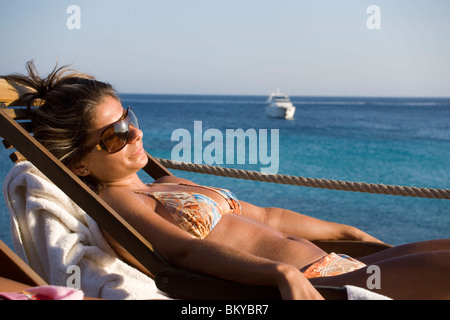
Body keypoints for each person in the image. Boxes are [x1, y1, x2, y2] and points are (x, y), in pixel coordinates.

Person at [2, 61, 449, 300]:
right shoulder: (120, 205)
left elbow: (267, 215)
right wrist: (279, 273)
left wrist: (345, 231)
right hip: (316, 286)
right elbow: (185, 251)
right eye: (114, 135)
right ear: (80, 165)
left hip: (335, 264)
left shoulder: (161, 185)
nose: (134, 133)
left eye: (128, 118)